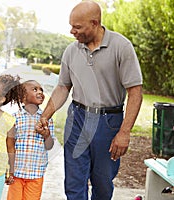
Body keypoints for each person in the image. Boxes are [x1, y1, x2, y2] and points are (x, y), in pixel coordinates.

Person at [38, 1, 143, 200]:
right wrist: (45, 115)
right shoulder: (71, 51)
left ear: (94, 23)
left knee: (102, 183)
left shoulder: (121, 46)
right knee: (74, 182)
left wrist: (124, 132)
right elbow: (63, 87)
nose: (72, 31)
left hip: (108, 122)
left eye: (77, 27)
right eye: (71, 26)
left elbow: (135, 92)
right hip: (77, 118)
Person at [7, 80, 55, 200]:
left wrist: (46, 134)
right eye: (35, 89)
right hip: (17, 173)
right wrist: (9, 169)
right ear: (23, 96)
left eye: (41, 90)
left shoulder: (46, 119)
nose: (40, 92)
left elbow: (49, 146)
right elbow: (10, 145)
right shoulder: (14, 118)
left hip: (36, 173)